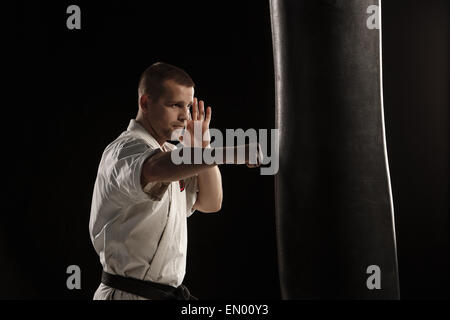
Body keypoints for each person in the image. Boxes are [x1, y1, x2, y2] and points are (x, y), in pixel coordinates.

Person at [89, 62, 261, 300]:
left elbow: (211, 203)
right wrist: (232, 152)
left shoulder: (176, 154)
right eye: (175, 105)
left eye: (188, 106)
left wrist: (203, 147)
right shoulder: (123, 150)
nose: (185, 116)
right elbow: (155, 168)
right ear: (146, 103)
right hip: (126, 294)